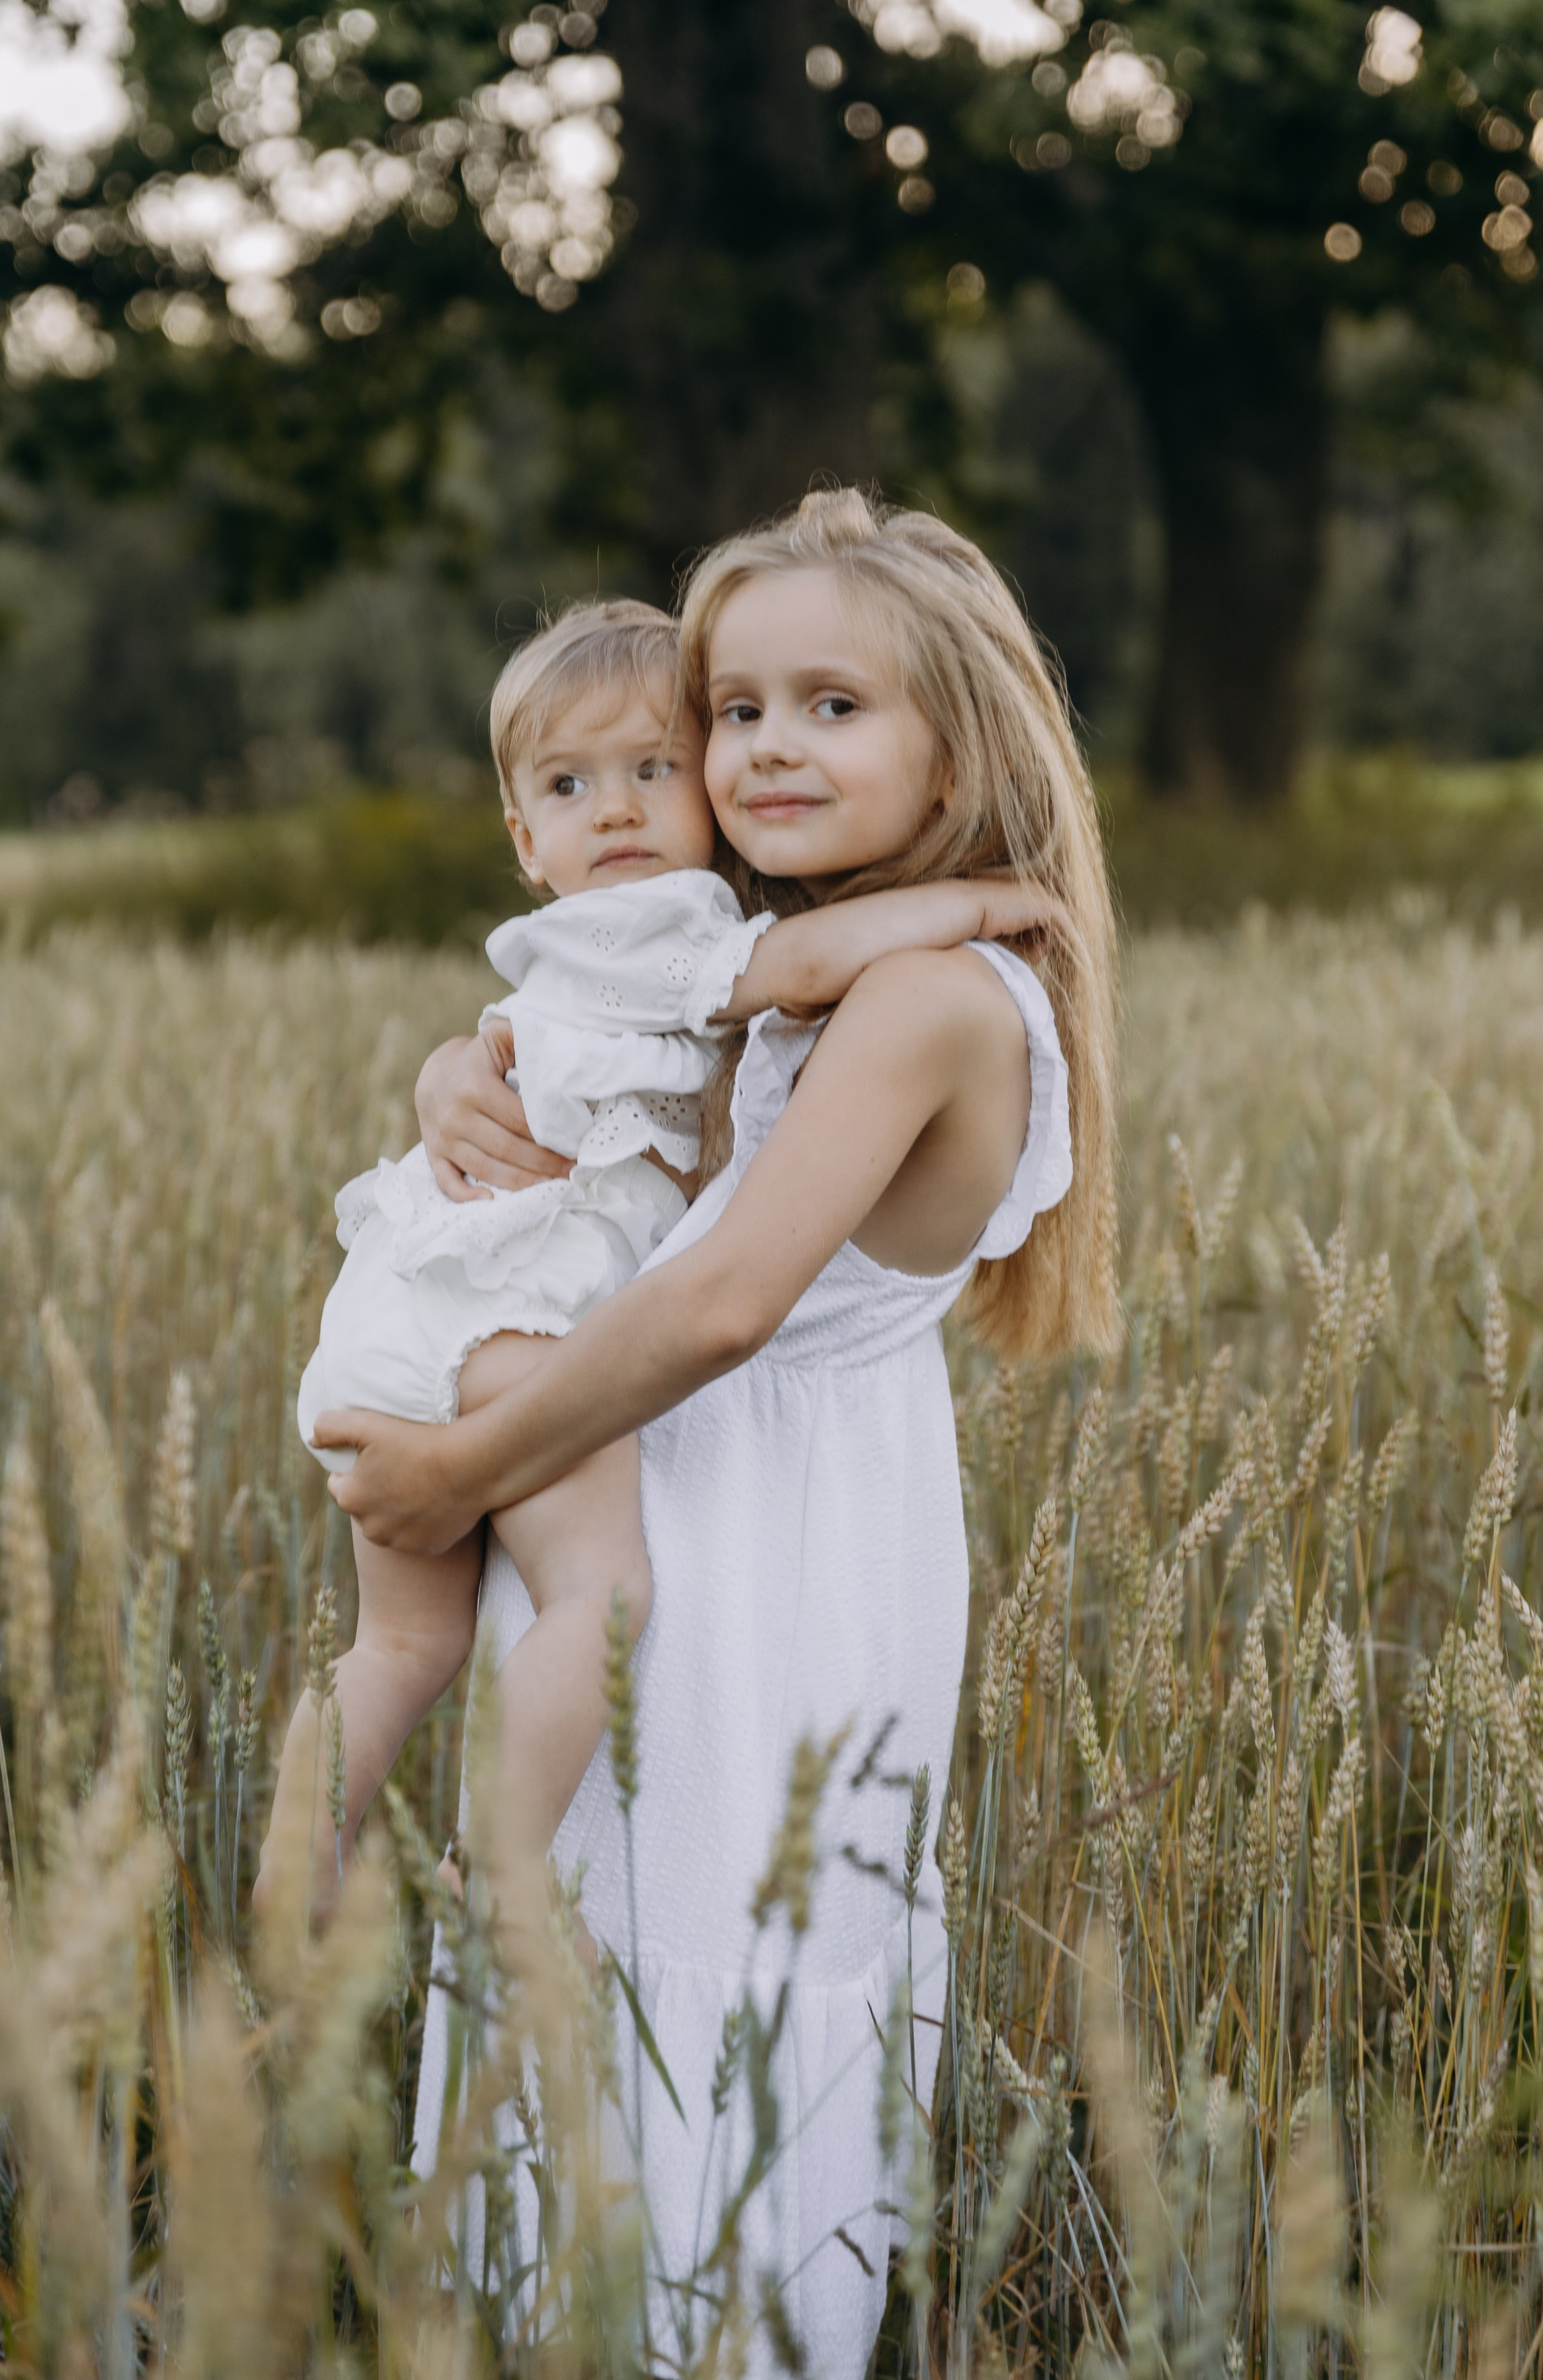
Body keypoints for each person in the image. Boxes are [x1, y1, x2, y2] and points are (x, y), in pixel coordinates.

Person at [314, 492, 1121, 2376]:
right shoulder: (770, 960)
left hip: (772, 1564)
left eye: (831, 707)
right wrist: (461, 1070)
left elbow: (717, 1300)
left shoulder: (928, 995)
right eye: (734, 710)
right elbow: (606, 1082)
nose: (766, 746)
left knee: (720, 1997)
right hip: (636, 1522)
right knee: (578, 1965)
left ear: (958, 750)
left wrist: (451, 1474)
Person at [257, 596, 1065, 1939]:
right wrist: (978, 900)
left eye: (652, 769)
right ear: (523, 834)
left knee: (397, 1646)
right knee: (600, 1594)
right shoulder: (692, 940)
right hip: (513, 1328)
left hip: (401, 1307)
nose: (623, 809)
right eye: (737, 715)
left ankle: (293, 1882)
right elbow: (789, 973)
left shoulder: (602, 945)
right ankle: (495, 1877)